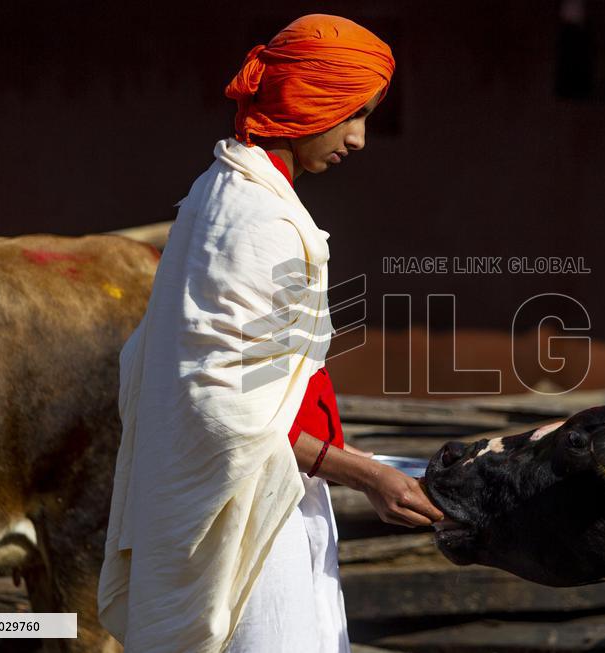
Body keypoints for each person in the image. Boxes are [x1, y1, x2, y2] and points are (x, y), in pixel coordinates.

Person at [97, 14, 443, 653]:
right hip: (253, 505)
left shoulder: (226, 191)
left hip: (281, 484)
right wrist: (365, 474)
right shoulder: (254, 215)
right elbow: (225, 409)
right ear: (311, 101)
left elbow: (263, 383)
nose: (360, 138)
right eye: (353, 113)